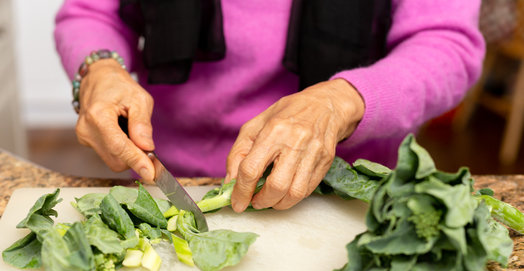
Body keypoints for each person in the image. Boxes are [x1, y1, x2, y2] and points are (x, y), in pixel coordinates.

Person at [54, 0, 485, 213]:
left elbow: (447, 45)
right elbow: (90, 13)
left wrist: (339, 102)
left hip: (343, 191)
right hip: (170, 179)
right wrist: (99, 67)